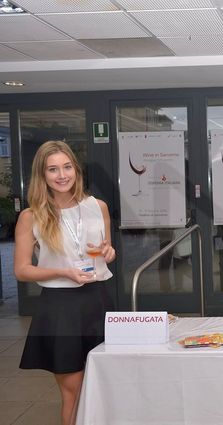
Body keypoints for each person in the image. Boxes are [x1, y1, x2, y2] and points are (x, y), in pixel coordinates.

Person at [14, 141, 116, 425]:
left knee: (105, 384)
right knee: (73, 390)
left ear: (76, 169)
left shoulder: (98, 207)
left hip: (98, 301)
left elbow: (107, 251)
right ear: (42, 175)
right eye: (53, 169)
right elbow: (22, 270)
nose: (62, 175)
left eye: (67, 167)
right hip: (60, 307)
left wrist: (109, 252)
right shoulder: (31, 216)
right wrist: (63, 272)